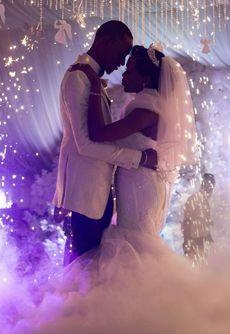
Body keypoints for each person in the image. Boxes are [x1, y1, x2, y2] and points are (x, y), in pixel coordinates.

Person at [63, 43, 197, 288]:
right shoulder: (149, 105)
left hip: (141, 185)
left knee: (136, 241)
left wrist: (94, 88)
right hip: (140, 181)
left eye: (129, 70)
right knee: (137, 240)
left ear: (145, 78)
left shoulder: (145, 110)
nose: (123, 75)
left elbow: (99, 134)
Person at [52, 21, 157, 262]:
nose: (121, 62)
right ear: (105, 42)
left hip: (97, 190)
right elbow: (85, 144)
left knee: (88, 266)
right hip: (86, 192)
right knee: (81, 267)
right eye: (121, 53)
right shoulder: (79, 77)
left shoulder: (90, 79)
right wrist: (139, 158)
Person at [181, 173, 215, 260]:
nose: (211, 189)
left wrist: (209, 239)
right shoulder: (194, 199)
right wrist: (187, 242)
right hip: (193, 242)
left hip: (200, 243)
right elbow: (187, 222)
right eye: (210, 186)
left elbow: (204, 225)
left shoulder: (205, 201)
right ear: (204, 185)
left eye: (212, 186)